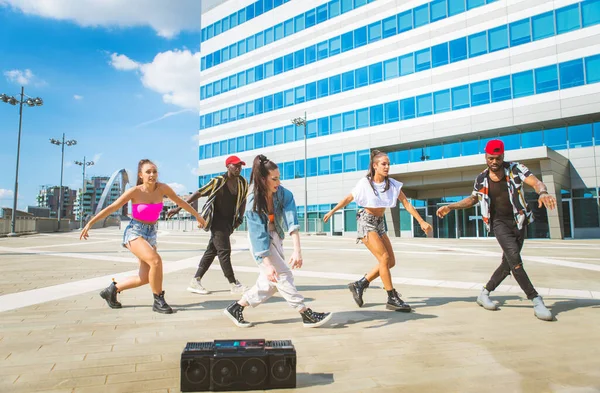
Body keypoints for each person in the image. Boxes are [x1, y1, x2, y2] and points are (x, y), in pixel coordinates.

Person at [436, 139, 556, 321]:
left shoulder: (516, 169)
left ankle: (484, 292)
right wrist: (451, 206)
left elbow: (536, 182)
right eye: (491, 158)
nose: (494, 162)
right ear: (486, 157)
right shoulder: (481, 179)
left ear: (503, 156)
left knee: (507, 265)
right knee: (515, 261)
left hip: (519, 221)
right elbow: (472, 199)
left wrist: (543, 192)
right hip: (499, 224)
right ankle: (535, 299)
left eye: (497, 158)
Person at [80, 159, 206, 314]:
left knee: (145, 277)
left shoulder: (162, 188)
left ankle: (112, 290)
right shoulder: (135, 191)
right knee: (155, 261)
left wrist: (198, 217)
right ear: (141, 175)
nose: (152, 174)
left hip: (151, 232)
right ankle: (158, 300)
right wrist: (90, 223)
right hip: (135, 231)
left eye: (154, 171)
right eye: (148, 172)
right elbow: (112, 206)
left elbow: (182, 202)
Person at [224, 154, 333, 328]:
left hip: (276, 237)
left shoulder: (283, 194)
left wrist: (297, 250)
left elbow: (292, 222)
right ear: (262, 179)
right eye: (274, 179)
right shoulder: (253, 199)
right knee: (283, 274)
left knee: (271, 283)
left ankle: (236, 307)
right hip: (259, 242)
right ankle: (305, 313)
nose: (278, 182)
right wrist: (267, 263)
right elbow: (258, 235)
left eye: (279, 178)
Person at [323, 150, 432, 312]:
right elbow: (349, 198)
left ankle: (360, 284)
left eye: (388, 164)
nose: (387, 167)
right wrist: (332, 211)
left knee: (390, 262)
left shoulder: (393, 185)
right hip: (366, 222)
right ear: (375, 166)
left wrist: (421, 221)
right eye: (383, 164)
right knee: (384, 258)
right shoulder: (365, 183)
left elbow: (406, 204)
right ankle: (391, 297)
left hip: (380, 223)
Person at [167, 155, 248, 295]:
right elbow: (199, 193)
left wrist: (240, 218)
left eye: (240, 165)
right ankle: (233, 283)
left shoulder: (242, 182)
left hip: (230, 222)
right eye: (235, 165)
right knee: (224, 251)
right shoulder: (218, 181)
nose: (238, 168)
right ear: (228, 166)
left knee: (212, 251)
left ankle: (195, 281)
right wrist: (178, 208)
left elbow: (243, 200)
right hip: (216, 221)